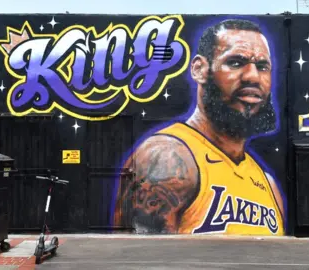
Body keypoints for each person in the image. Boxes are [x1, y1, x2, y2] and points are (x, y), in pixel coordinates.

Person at [113, 19, 285, 235]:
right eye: (236, 62)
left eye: (262, 66)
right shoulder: (168, 157)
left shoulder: (267, 184)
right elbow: (141, 259)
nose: (252, 76)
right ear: (199, 69)